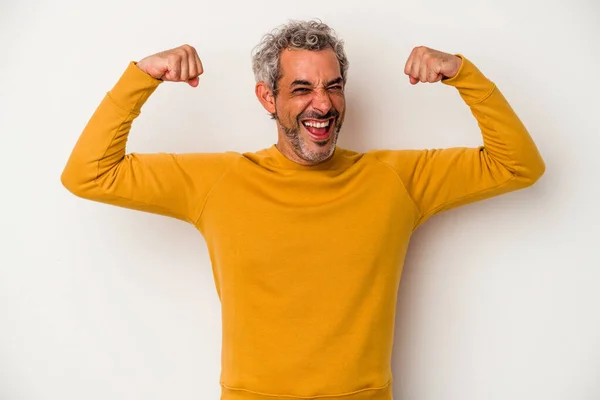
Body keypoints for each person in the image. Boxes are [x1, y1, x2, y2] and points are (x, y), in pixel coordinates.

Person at [61, 19, 544, 400]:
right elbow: (88, 174)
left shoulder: (396, 179)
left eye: (333, 87)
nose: (323, 103)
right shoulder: (219, 183)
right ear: (267, 97)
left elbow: (517, 165)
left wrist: (464, 75)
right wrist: (140, 78)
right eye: (301, 89)